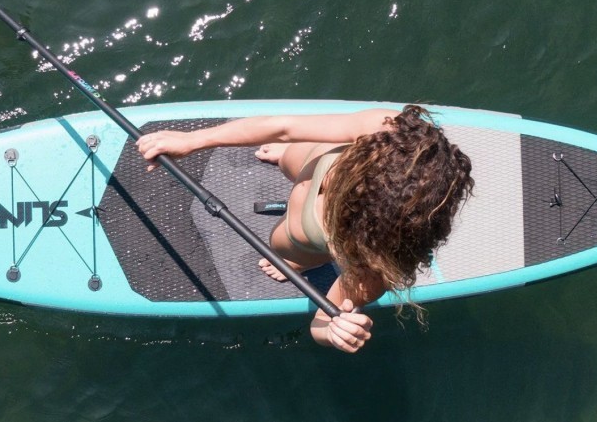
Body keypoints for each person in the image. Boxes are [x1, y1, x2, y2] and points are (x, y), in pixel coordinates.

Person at [135, 105, 474, 353]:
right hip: (319, 159)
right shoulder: (387, 132)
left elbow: (322, 323)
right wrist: (194, 140)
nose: (331, 186)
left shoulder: (371, 269)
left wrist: (335, 332)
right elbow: (284, 127)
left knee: (281, 245)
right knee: (290, 153)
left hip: (311, 232)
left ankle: (301, 263)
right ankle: (288, 160)